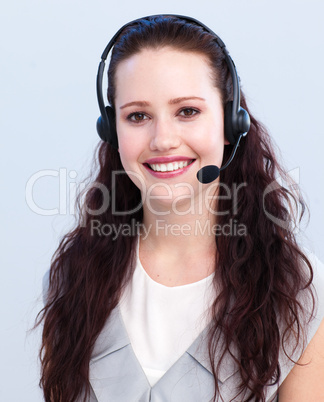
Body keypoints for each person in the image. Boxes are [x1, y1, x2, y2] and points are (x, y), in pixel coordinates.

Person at [37, 15, 324, 401]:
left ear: (230, 122)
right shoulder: (74, 276)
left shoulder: (298, 289)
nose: (163, 139)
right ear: (111, 130)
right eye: (137, 116)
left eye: (187, 111)